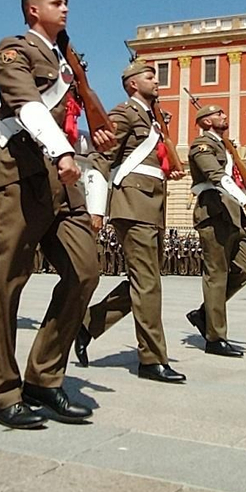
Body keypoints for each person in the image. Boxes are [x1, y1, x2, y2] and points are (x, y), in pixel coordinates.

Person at [0, 0, 113, 430]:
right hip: (22, 174)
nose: (66, 8)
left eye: (68, 2)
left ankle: (43, 376)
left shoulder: (67, 64)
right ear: (33, 11)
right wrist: (61, 151)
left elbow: (73, 117)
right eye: (57, 2)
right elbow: (27, 105)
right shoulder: (13, 49)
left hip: (64, 180)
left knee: (86, 270)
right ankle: (2, 394)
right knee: (7, 284)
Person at [74, 61, 187, 384]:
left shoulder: (153, 121)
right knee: (148, 282)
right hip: (132, 204)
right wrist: (96, 208)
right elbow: (101, 157)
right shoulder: (124, 114)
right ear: (133, 84)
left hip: (153, 205)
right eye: (150, 76)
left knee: (144, 280)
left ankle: (86, 325)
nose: (157, 81)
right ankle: (151, 359)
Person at [185, 105, 246, 358]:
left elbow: (229, 176)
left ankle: (204, 314)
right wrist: (244, 199)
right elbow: (215, 176)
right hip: (214, 212)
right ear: (205, 122)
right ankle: (215, 338)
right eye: (218, 114)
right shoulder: (201, 146)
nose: (224, 116)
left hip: (233, 213)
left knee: (245, 269)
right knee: (216, 275)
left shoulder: (227, 148)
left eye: (224, 113)